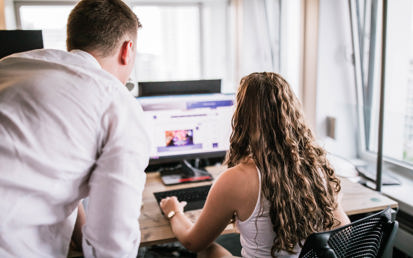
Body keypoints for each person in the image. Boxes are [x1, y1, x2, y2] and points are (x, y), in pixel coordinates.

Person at [0, 0, 150, 257]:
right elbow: (113, 248)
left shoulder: (9, 65)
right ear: (128, 50)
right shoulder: (116, 102)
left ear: (71, 41)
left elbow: (37, 168)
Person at [160, 72, 351, 258]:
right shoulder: (316, 167)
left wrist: (173, 211)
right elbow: (344, 233)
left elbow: (192, 242)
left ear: (242, 118)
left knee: (208, 250)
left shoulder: (235, 179)